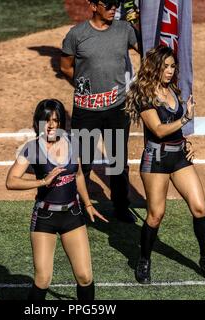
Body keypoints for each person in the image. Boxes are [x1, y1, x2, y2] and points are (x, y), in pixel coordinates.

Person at [125, 45, 205, 283]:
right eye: (165, 66)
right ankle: (144, 259)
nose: (170, 71)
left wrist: (185, 141)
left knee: (200, 208)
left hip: (178, 158)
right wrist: (185, 120)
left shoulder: (173, 90)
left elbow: (173, 129)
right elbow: (157, 129)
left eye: (172, 66)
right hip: (156, 160)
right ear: (155, 67)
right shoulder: (145, 95)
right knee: (156, 215)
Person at [6, 99, 108, 300]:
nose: (51, 125)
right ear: (38, 122)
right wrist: (43, 181)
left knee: (85, 276)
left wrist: (87, 204)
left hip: (73, 215)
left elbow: (78, 175)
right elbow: (11, 181)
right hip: (45, 218)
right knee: (43, 279)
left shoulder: (72, 142)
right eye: (46, 120)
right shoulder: (32, 148)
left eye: (56, 120)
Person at [61, 0, 140, 223]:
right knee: (83, 162)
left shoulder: (124, 30)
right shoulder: (77, 34)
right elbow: (65, 66)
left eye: (116, 4)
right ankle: (78, 205)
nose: (113, 8)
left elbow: (147, 49)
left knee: (117, 161)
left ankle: (121, 206)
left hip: (117, 109)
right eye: (108, 4)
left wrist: (135, 20)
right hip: (87, 110)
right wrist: (81, 85)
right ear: (94, 6)